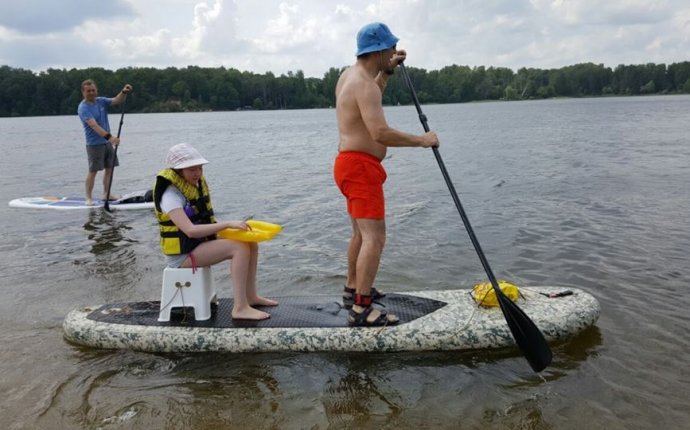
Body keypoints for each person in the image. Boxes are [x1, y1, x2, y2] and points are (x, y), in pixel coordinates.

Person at [333, 22, 440, 326]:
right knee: (375, 238)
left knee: (360, 234)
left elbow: (370, 98)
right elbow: (379, 132)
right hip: (360, 168)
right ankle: (362, 310)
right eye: (391, 48)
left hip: (347, 164)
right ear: (378, 50)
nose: (394, 51)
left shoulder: (350, 76)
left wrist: (387, 71)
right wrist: (423, 140)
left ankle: (353, 290)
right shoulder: (363, 84)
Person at [153, 143, 277, 320]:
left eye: (199, 168)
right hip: (182, 256)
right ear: (178, 170)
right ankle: (240, 308)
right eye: (191, 169)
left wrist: (233, 228)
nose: (197, 173)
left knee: (250, 242)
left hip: (197, 245)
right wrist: (227, 225)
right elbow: (190, 231)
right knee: (239, 248)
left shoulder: (193, 185)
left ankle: (251, 296)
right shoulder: (170, 196)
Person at [77, 79, 133, 205]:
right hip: (94, 144)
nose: (91, 93)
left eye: (93, 90)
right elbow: (94, 125)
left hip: (106, 143)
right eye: (88, 91)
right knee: (93, 171)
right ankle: (88, 198)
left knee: (110, 168)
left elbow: (117, 100)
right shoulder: (83, 108)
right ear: (83, 92)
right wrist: (110, 138)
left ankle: (106, 193)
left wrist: (123, 92)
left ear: (96, 90)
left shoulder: (101, 101)